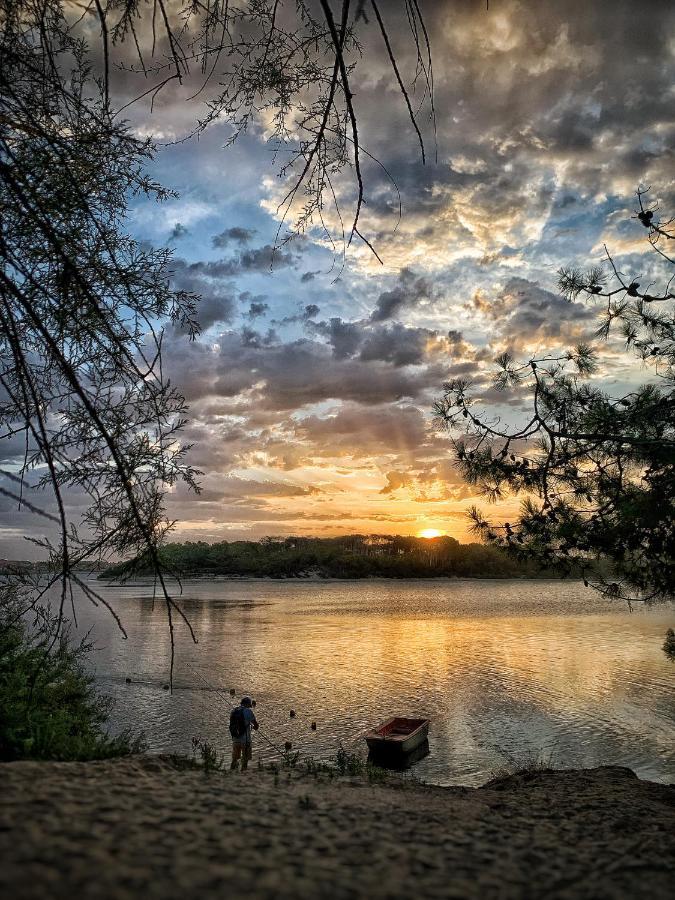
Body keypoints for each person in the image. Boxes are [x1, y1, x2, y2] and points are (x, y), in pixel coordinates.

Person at [229, 696, 258, 771]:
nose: (250, 707)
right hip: (245, 740)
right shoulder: (248, 711)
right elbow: (256, 725)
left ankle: (231, 772)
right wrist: (253, 726)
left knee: (234, 759)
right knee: (245, 759)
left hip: (235, 739)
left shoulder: (233, 711)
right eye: (249, 705)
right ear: (248, 704)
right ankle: (243, 773)